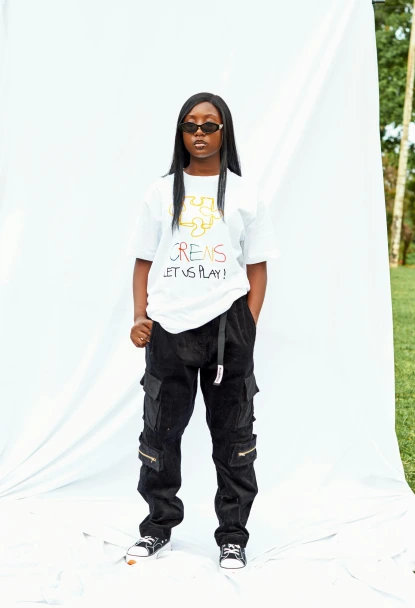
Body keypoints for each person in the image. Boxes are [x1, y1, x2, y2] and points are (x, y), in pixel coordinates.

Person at [125, 92, 278, 571]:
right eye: (191, 125)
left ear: (224, 132)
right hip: (169, 327)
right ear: (181, 132)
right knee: (160, 433)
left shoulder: (245, 193)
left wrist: (246, 326)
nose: (200, 133)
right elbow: (143, 261)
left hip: (226, 328)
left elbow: (257, 267)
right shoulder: (160, 192)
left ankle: (232, 536)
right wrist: (140, 315)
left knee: (234, 436)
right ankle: (157, 528)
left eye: (210, 125)